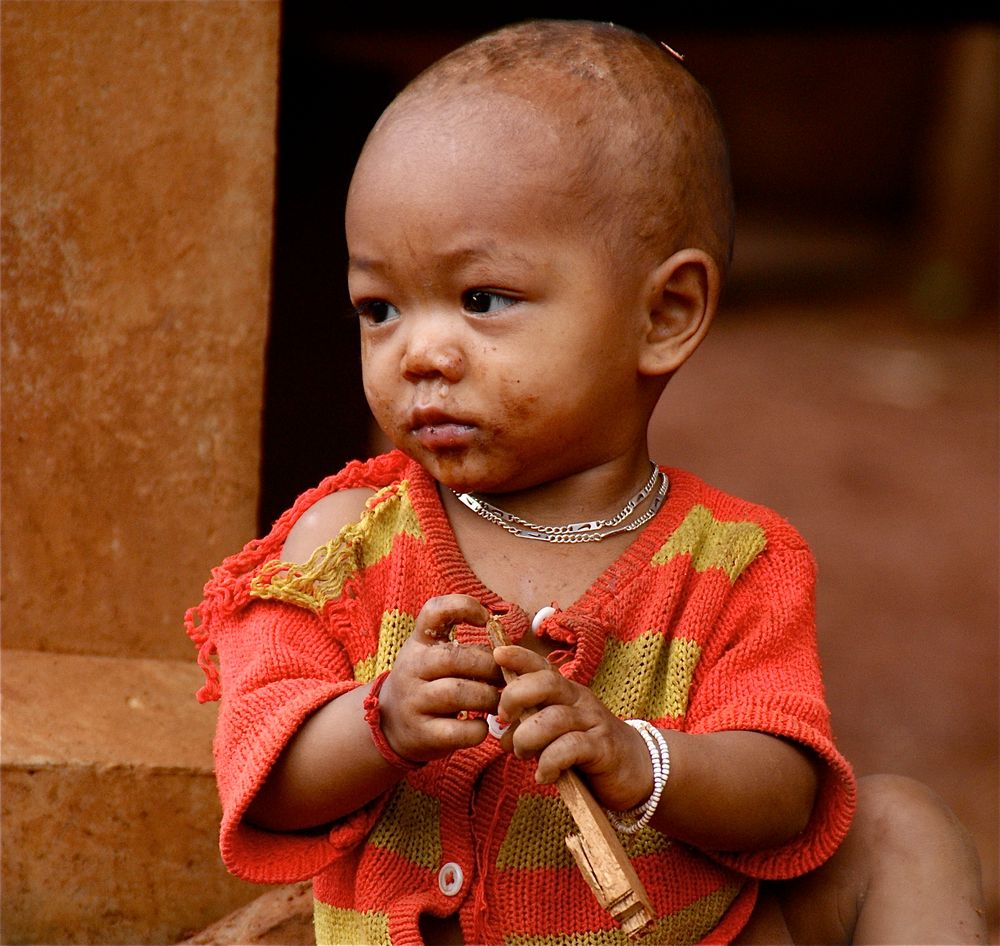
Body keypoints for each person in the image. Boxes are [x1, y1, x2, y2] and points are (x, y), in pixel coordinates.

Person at [186, 19, 987, 945]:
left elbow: (787, 793)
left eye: (482, 299)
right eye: (380, 308)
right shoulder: (340, 545)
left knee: (902, 827)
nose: (419, 353)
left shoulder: (734, 563)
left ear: (664, 315)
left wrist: (637, 756)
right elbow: (259, 777)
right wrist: (382, 723)